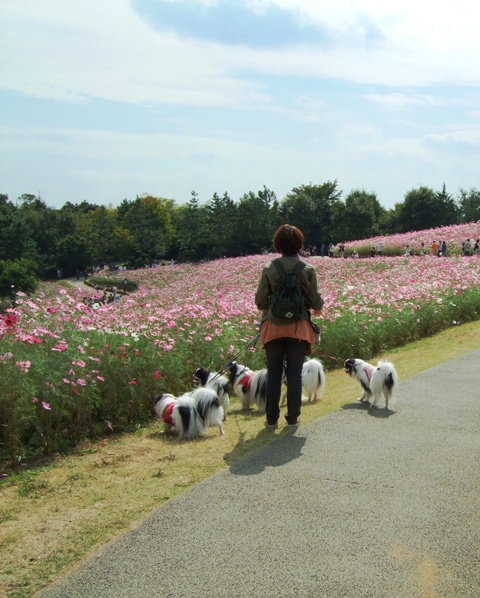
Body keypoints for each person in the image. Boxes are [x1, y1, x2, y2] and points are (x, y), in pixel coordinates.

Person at [255, 224, 324, 428]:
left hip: (273, 328)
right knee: (294, 373)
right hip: (299, 329)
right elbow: (316, 301)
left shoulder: (269, 267)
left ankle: (271, 418)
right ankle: (293, 417)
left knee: (274, 374)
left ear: (278, 244)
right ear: (300, 244)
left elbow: (260, 301)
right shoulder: (308, 269)